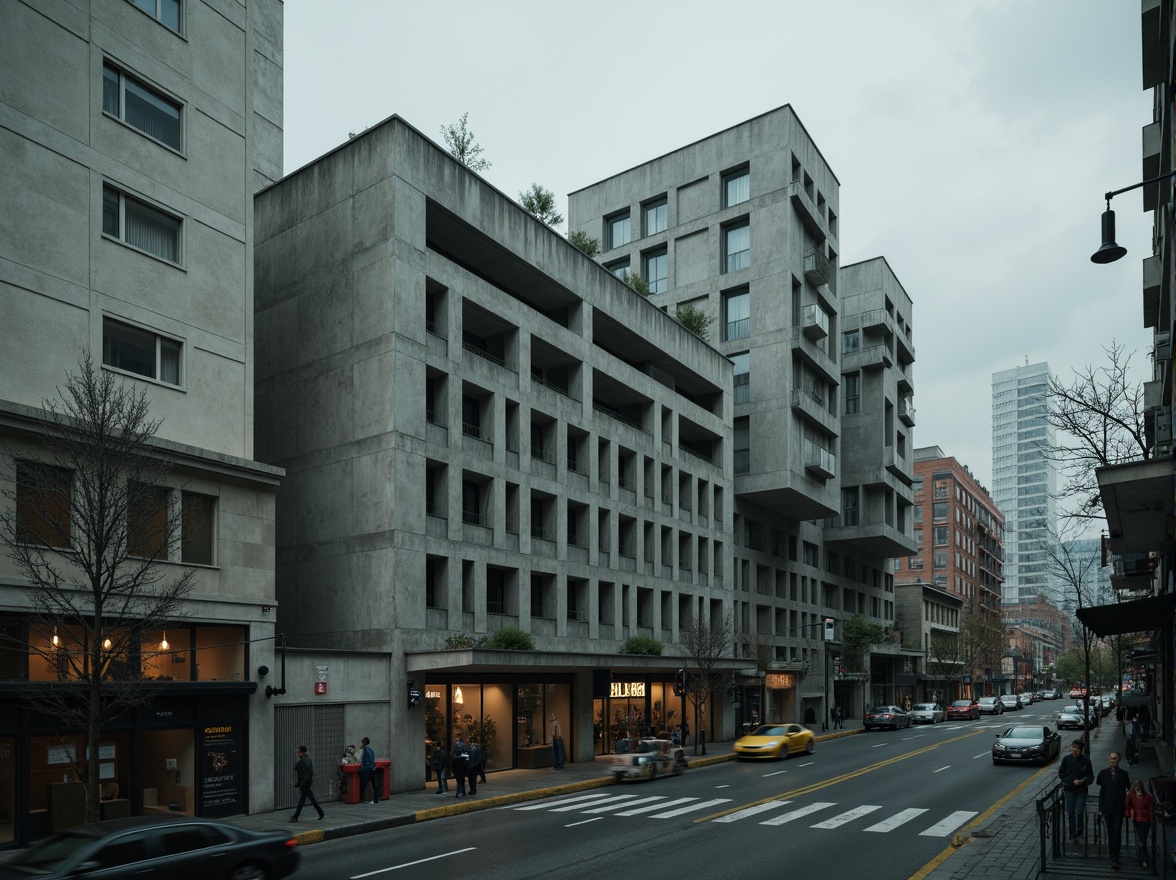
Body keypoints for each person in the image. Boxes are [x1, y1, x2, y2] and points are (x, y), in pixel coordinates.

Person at [1096, 752, 1132, 870]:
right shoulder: (1103, 773)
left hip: (1119, 808)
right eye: (1111, 758)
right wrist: (1100, 809)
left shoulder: (1123, 774)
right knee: (1111, 833)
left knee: (1116, 832)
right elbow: (1102, 792)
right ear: (1108, 759)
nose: (1112, 760)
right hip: (1107, 807)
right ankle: (1113, 856)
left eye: (1115, 758)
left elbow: (1128, 788)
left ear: (1119, 759)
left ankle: (1115, 859)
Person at [1058, 739, 1094, 844]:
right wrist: (1071, 780)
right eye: (1074, 747)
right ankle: (1072, 834)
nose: (1075, 750)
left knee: (1079, 812)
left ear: (1081, 750)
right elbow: (1061, 774)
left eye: (1078, 748)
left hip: (1081, 791)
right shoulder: (1066, 759)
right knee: (1071, 812)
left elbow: (1091, 776)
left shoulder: (1086, 762)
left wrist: (1083, 781)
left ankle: (1080, 833)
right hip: (1069, 790)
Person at [1125, 778, 1155, 869]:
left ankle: (1144, 858)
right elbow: (1127, 805)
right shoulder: (1131, 795)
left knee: (1142, 840)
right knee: (1141, 840)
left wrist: (1149, 816)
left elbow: (1151, 808)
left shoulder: (1148, 797)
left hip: (1145, 820)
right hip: (1137, 819)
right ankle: (1144, 858)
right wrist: (1129, 813)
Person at [289, 745, 324, 822]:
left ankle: (295, 817)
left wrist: (302, 783)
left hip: (305, 784)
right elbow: (301, 773)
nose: (297, 753)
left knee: (302, 802)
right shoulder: (303, 760)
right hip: (305, 783)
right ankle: (321, 813)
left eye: (298, 751)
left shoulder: (305, 761)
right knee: (310, 800)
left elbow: (308, 773)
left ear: (302, 752)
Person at [359, 736, 379, 804]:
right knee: (374, 785)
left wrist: (362, 768)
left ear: (364, 743)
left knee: (363, 784)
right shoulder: (371, 750)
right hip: (372, 768)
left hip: (366, 769)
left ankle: (362, 798)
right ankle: (376, 799)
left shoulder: (365, 750)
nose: (360, 745)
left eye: (361, 743)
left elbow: (363, 760)